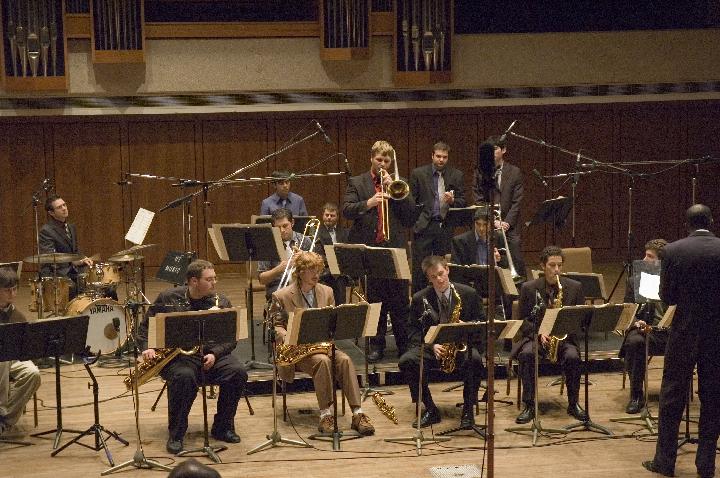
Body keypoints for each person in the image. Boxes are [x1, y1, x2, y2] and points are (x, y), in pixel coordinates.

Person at [137, 260, 247, 455]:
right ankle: (176, 434)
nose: (214, 283)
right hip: (179, 357)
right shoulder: (168, 298)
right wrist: (148, 348)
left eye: (215, 278)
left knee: (237, 372)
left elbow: (231, 338)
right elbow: (145, 328)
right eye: (209, 279)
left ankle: (223, 427)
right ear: (194, 281)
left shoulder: (220, 301)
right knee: (184, 377)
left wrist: (215, 353)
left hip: (212, 355)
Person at [643, 205, 720, 478]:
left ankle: (665, 462)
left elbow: (668, 297)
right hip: (716, 334)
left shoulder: (673, 251)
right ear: (711, 221)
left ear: (687, 224)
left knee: (672, 395)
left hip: (684, 332)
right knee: (713, 397)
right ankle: (706, 465)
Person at [268, 251, 374, 435]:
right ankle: (326, 415)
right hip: (297, 351)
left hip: (322, 346)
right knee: (322, 362)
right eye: (311, 270)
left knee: (345, 360)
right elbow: (276, 326)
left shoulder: (327, 291)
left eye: (318, 270)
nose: (316, 274)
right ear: (300, 272)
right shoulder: (281, 295)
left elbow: (333, 321)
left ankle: (358, 413)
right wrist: (286, 334)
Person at [342, 140, 416, 362]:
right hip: (371, 250)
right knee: (376, 302)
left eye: (386, 160)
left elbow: (411, 217)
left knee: (401, 302)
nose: (382, 163)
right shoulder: (357, 182)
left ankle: (404, 345)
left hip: (395, 250)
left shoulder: (400, 184)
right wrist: (369, 203)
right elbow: (347, 210)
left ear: (391, 162)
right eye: (379, 159)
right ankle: (377, 345)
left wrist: (397, 193)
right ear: (371, 159)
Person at [398, 256, 485, 428]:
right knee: (407, 361)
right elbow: (413, 330)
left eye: (440, 273)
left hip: (461, 346)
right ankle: (430, 409)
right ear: (428, 279)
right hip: (433, 348)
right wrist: (431, 344)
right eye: (433, 277)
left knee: (475, 360)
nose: (439, 279)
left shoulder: (468, 293)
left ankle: (468, 409)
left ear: (447, 269)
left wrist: (466, 326)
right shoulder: (420, 298)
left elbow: (481, 322)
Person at [512, 246, 587, 425]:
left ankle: (573, 403)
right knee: (527, 354)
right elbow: (522, 321)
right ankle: (529, 404)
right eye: (552, 265)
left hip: (565, 339)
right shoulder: (529, 288)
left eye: (559, 265)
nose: (556, 270)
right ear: (542, 266)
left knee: (573, 356)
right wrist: (539, 333)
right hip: (537, 338)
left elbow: (580, 319)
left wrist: (564, 330)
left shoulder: (575, 287)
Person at [619, 238, 669, 414]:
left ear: (661, 261)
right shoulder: (635, 281)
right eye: (645, 255)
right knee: (635, 342)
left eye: (650, 256)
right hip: (645, 330)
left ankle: (674, 393)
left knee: (686, 340)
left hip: (668, 331)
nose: (644, 259)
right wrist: (636, 321)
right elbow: (626, 311)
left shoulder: (673, 281)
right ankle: (636, 395)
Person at [409, 141, 466, 293]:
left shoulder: (456, 175)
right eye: (438, 156)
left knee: (442, 268)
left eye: (444, 157)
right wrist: (416, 223)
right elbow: (411, 202)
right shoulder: (418, 174)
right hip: (424, 226)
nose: (441, 160)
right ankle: (418, 301)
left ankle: (443, 299)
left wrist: (453, 201)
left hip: (445, 227)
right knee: (420, 269)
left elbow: (463, 201)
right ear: (432, 156)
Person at [473, 136, 526, 279]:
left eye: (495, 149)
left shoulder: (515, 172)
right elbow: (478, 199)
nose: (492, 152)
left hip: (510, 224)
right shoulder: (480, 171)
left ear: (503, 150)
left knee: (515, 250)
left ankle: (520, 285)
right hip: (488, 223)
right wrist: (492, 219)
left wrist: (506, 222)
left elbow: (517, 201)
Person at [0, 268, 42, 437]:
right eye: (7, 290)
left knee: (33, 373)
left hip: (12, 358)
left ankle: (5, 420)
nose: (12, 293)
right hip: (3, 360)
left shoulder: (17, 316)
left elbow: (25, 348)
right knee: (2, 361)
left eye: (15, 289)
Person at [257, 208, 322, 301]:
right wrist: (279, 269)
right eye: (278, 227)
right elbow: (262, 279)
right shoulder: (267, 245)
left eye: (285, 226)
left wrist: (305, 257)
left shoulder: (305, 240)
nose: (282, 230)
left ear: (292, 223)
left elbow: (318, 270)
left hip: (303, 284)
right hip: (277, 287)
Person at [39, 195, 94, 298]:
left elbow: (75, 250)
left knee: (100, 283)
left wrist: (83, 257)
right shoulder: (46, 231)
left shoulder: (71, 227)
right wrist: (72, 261)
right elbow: (50, 257)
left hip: (72, 270)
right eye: (59, 207)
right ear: (51, 213)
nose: (64, 208)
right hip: (56, 272)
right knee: (73, 288)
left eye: (64, 205)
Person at [317, 202, 350, 305]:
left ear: (337, 217)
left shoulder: (344, 232)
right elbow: (318, 253)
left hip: (341, 269)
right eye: (327, 215)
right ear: (322, 215)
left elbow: (348, 252)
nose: (329, 218)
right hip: (324, 269)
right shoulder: (317, 232)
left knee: (340, 278)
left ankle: (340, 308)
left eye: (332, 215)